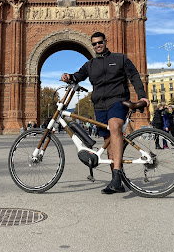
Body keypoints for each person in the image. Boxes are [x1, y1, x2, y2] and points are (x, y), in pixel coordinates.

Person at [61, 32, 149, 194]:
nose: (97, 46)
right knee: (109, 141)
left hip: (118, 101)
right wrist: (68, 76)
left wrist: (142, 95)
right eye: (94, 44)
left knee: (114, 126)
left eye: (100, 42)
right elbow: (78, 76)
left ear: (105, 42)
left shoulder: (119, 58)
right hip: (100, 105)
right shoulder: (90, 64)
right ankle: (117, 182)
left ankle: (116, 175)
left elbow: (134, 76)